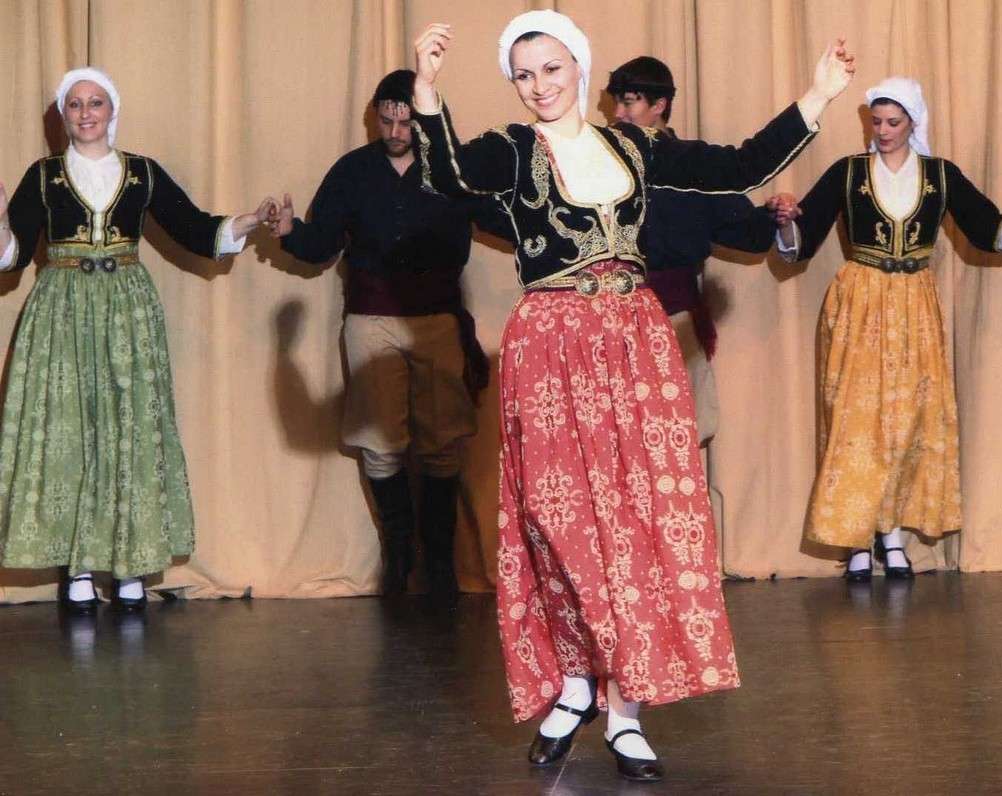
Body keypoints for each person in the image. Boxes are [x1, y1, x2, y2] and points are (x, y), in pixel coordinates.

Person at [407, 10, 853, 781]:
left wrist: (817, 95)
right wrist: (426, 90)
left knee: (637, 523)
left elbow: (740, 166)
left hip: (635, 339)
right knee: (558, 523)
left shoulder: (635, 145)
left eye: (552, 69)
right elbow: (448, 175)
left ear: (580, 68)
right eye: (523, 74)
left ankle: (625, 712)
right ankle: (575, 680)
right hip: (551, 342)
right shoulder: (512, 150)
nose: (539, 85)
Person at [0, 68, 274, 612]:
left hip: (128, 312)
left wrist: (251, 220)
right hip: (61, 313)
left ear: (112, 110)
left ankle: (130, 567)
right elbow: (14, 253)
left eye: (95, 103)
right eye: (75, 104)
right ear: (63, 115)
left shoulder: (142, 173)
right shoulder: (44, 176)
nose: (85, 113)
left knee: (131, 428)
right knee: (72, 431)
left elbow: (194, 228)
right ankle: (78, 570)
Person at [771, 77, 1002, 582]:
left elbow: (988, 231)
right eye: (877, 121)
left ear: (914, 122)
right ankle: (858, 538)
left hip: (915, 305)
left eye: (894, 122)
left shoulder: (940, 175)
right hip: (860, 303)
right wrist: (786, 221)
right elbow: (802, 241)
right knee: (856, 421)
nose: (884, 130)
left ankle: (890, 534)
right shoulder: (848, 173)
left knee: (907, 421)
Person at [269, 69, 506, 597]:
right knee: (379, 446)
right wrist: (289, 233)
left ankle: (440, 563)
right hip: (371, 318)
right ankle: (399, 557)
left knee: (444, 443)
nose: (396, 131)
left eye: (407, 122)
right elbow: (320, 245)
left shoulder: (452, 169)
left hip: (438, 319)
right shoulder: (352, 171)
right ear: (375, 116)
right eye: (387, 120)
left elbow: (500, 220)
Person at [605, 56, 776, 449]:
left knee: (679, 437)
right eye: (616, 103)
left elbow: (750, 234)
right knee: (617, 441)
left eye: (628, 102)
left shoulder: (690, 165)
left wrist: (775, 215)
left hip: (675, 321)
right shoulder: (599, 165)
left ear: (659, 105)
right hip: (609, 324)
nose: (617, 114)